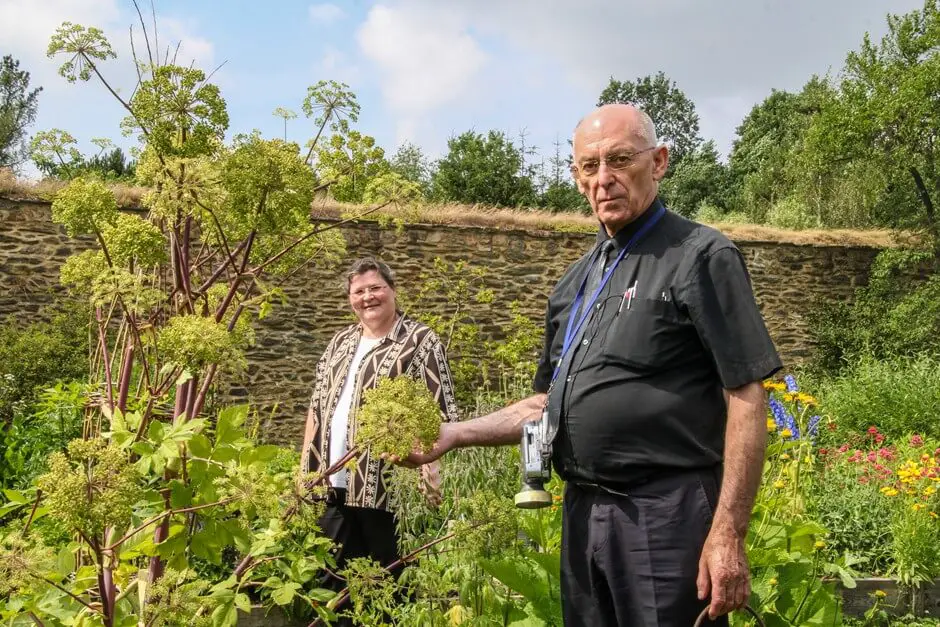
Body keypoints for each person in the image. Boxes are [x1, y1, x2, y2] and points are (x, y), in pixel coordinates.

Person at [398, 104, 782, 626]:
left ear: (660, 161)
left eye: (620, 159)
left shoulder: (699, 256)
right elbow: (543, 407)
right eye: (589, 166)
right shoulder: (574, 284)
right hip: (584, 517)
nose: (604, 179)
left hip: (665, 516)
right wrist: (454, 433)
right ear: (577, 178)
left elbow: (746, 394)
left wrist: (728, 532)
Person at [299, 256, 459, 621]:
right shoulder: (339, 342)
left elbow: (439, 410)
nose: (368, 297)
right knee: (332, 582)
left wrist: (431, 468)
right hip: (330, 484)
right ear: (350, 299)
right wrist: (303, 469)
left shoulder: (420, 340)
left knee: (390, 582)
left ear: (393, 291)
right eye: (359, 291)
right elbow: (317, 407)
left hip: (385, 486)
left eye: (376, 288)